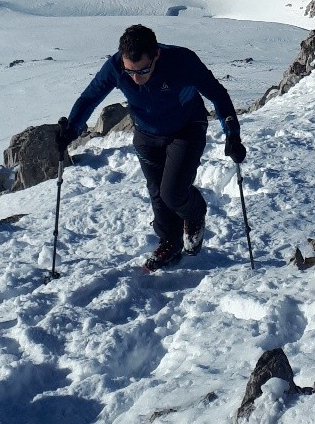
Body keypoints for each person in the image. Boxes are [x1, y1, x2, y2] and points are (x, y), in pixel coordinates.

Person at [58, 24, 246, 271]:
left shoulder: (182, 61)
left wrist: (232, 134)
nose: (136, 79)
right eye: (130, 72)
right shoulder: (115, 66)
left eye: (143, 70)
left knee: (173, 192)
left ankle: (195, 212)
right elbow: (90, 97)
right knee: (157, 193)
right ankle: (170, 242)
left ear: (156, 54)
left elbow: (217, 94)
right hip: (146, 133)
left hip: (187, 128)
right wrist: (71, 130)